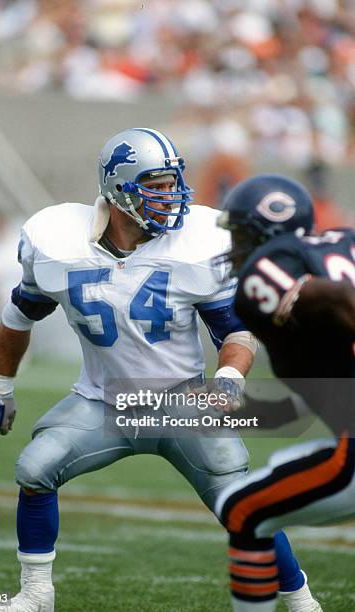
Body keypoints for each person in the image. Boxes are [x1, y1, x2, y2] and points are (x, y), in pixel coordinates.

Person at [0, 130, 315, 612]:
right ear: (117, 189)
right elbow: (18, 317)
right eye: (156, 184)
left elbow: (235, 332)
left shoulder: (197, 243)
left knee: (244, 505)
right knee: (35, 468)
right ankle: (34, 596)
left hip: (182, 403)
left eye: (174, 183)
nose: (172, 196)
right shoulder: (57, 242)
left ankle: (302, 602)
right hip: (102, 403)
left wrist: (229, 380)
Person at [215, 173, 355, 612]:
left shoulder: (265, 269)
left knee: (242, 510)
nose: (233, 247)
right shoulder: (345, 240)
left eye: (238, 233)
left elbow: (338, 301)